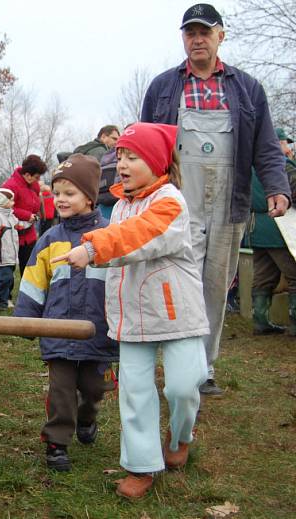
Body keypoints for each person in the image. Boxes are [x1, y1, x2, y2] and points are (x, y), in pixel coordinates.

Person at [141, 3, 291, 396]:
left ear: (220, 36)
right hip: (178, 203)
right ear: (183, 39)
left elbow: (266, 147)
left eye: (204, 32)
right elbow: (147, 143)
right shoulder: (163, 86)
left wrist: (277, 187)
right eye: (190, 33)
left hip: (229, 203)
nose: (197, 39)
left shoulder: (246, 88)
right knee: (179, 282)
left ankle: (204, 366)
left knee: (214, 287)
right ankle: (177, 360)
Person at [52, 123, 209, 499]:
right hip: (131, 315)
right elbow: (119, 252)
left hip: (176, 314)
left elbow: (140, 237)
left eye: (132, 156)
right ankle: (141, 466)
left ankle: (182, 433)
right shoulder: (120, 206)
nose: (121, 164)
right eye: (119, 155)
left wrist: (90, 249)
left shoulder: (170, 202)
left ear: (156, 161)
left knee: (184, 385)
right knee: (135, 392)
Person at [14, 154, 118, 472]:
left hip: (97, 333)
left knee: (93, 388)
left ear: (88, 197)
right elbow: (33, 283)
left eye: (69, 193)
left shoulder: (107, 239)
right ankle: (57, 442)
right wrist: (25, 318)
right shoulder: (49, 240)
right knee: (61, 391)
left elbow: (119, 284)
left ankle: (87, 419)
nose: (60, 199)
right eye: (57, 192)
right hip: (58, 332)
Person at [248, 128, 296, 335]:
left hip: (255, 228)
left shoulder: (250, 166)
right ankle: (295, 325)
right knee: (294, 275)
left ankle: (260, 321)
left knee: (263, 275)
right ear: (277, 143)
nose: (288, 147)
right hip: (280, 229)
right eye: (286, 142)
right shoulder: (281, 167)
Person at [2, 155, 46, 276]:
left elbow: (36, 200)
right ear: (27, 175)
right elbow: (5, 207)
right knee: (7, 269)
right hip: (13, 233)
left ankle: (28, 291)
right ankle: (5, 294)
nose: (38, 180)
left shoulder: (34, 185)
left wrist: (37, 213)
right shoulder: (10, 186)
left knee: (29, 266)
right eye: (36, 177)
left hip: (29, 233)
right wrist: (27, 215)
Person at [0, 188, 25, 311]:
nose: (13, 202)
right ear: (3, 202)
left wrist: (29, 221)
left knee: (9, 280)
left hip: (11, 255)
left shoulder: (11, 216)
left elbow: (18, 226)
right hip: (1, 256)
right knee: (5, 279)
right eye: (11, 200)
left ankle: (1, 303)